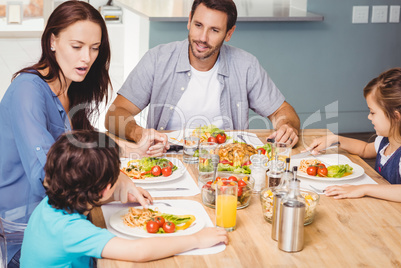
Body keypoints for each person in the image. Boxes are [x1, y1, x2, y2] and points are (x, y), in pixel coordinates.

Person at [0, 1, 154, 266]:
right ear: (52, 41)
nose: (87, 58)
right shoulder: (28, 91)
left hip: (66, 217)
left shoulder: (69, 86)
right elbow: (49, 174)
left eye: (95, 48)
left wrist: (128, 156)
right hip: (28, 233)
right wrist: (117, 180)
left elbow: (84, 142)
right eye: (77, 47)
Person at [105, 0, 300, 148]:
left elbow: (282, 111)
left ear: (229, 33)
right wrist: (138, 133)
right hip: (168, 159)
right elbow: (115, 114)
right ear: (189, 21)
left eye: (214, 30)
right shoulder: (158, 59)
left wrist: (287, 126)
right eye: (198, 25)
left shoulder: (246, 65)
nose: (203, 38)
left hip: (227, 164)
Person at [20, 130, 229, 267]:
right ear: (105, 189)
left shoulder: (54, 201)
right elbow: (138, 251)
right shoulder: (71, 230)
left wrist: (116, 195)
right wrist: (197, 239)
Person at [305, 68, 401, 202]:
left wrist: (363, 189)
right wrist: (335, 139)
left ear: (395, 116)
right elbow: (364, 149)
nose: (369, 117)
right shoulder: (385, 142)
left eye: (373, 112)